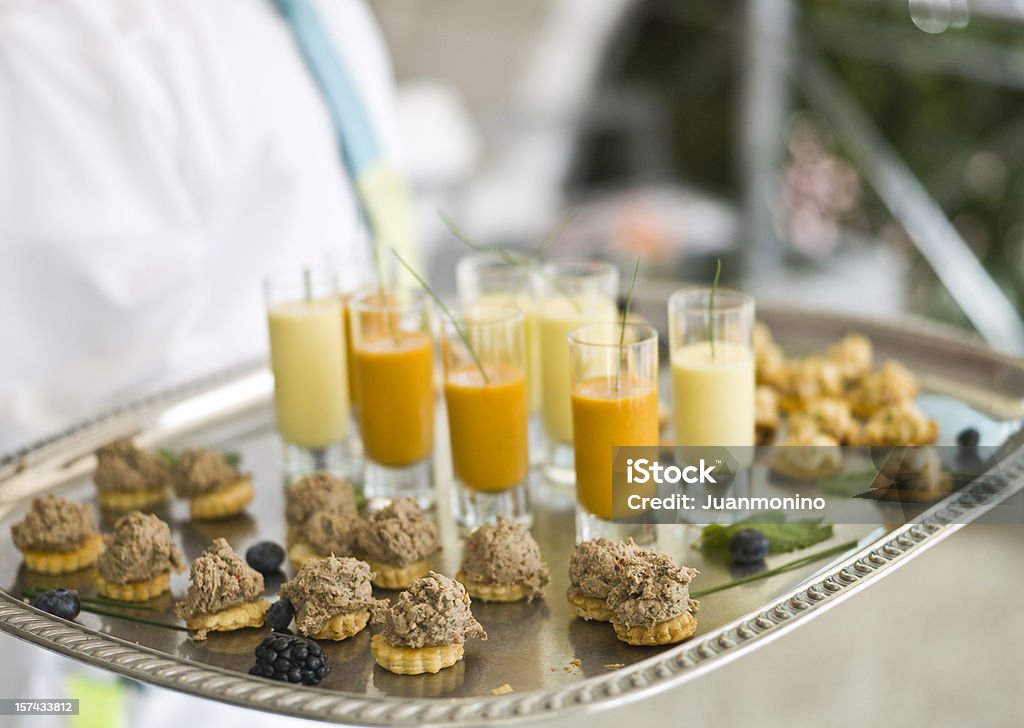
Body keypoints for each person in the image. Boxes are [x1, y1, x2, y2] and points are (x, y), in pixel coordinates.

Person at [0, 2, 415, 725]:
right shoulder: (59, 38)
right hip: (160, 674)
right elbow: (67, 402)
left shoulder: (325, 14)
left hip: (351, 558)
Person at [0, 0, 415, 454]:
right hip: (231, 477)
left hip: (379, 444)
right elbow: (110, 391)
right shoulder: (61, 34)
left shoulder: (330, 13)